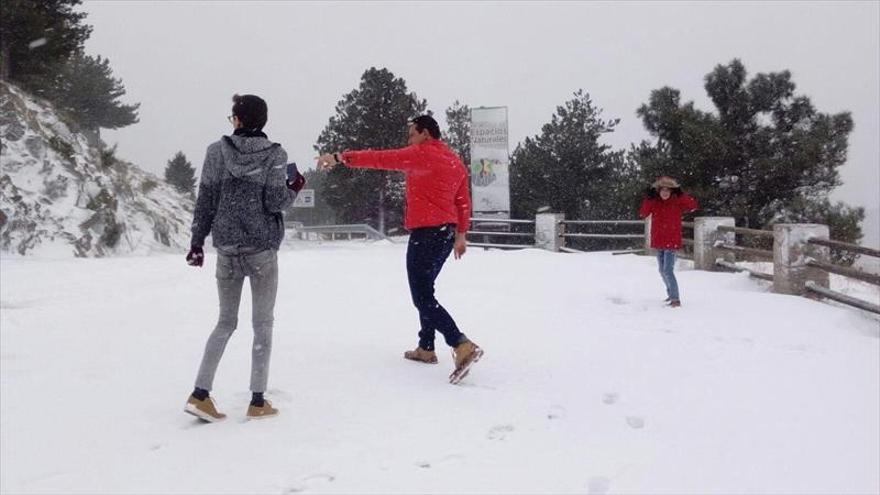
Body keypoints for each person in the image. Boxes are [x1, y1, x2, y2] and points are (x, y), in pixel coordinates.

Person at [317, 115, 483, 384]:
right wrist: (461, 235)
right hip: (446, 234)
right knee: (426, 290)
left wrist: (338, 157)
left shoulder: (421, 155)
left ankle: (460, 343)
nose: (409, 140)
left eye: (411, 134)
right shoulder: (455, 162)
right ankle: (426, 347)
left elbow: (380, 158)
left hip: (426, 234)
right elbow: (463, 202)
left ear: (425, 134)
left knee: (421, 297)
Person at [184, 94, 305, 422]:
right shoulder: (275, 155)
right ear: (262, 121)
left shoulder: (215, 153)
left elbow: (205, 199)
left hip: (226, 248)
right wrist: (295, 185)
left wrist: (197, 242)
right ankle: (257, 401)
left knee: (225, 323)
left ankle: (200, 394)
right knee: (262, 325)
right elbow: (275, 201)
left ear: (238, 120)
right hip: (261, 248)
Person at [638, 176, 698, 308]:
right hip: (659, 240)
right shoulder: (654, 202)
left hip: (671, 241)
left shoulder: (677, 201)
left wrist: (681, 195)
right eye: (662, 190)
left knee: (668, 270)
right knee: (661, 270)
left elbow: (692, 206)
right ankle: (670, 294)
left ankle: (675, 299)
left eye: (668, 190)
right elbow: (643, 213)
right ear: (658, 191)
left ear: (672, 192)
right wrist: (648, 198)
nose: (665, 193)